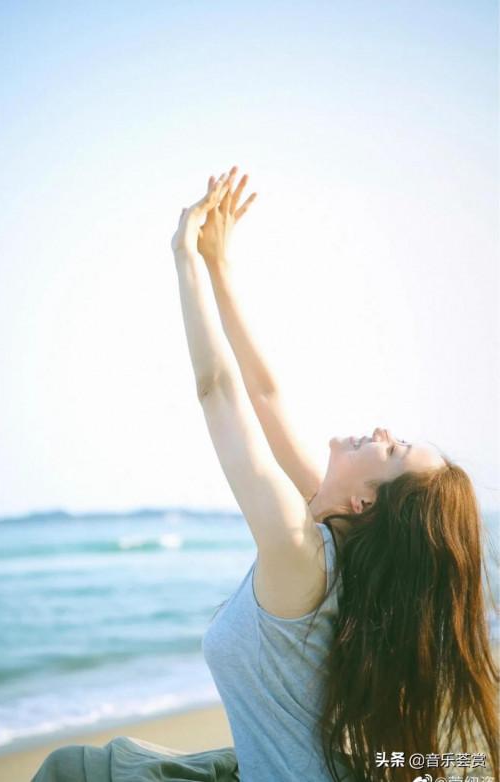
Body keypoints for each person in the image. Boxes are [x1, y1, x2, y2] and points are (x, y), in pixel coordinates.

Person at [170, 168, 499, 782]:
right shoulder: (331, 533)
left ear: (365, 502)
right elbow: (265, 395)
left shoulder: (301, 553)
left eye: (394, 449)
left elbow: (219, 393)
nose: (380, 431)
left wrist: (184, 257)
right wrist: (221, 266)